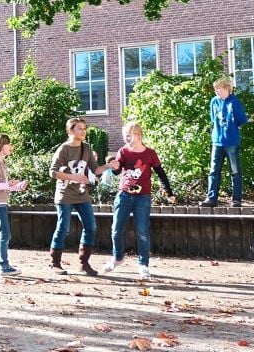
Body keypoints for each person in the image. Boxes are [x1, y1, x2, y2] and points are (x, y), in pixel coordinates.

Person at [104, 121, 175, 280]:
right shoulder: (123, 151)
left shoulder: (150, 153)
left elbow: (160, 173)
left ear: (138, 135)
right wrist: (114, 166)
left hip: (142, 197)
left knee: (142, 231)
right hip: (124, 195)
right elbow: (117, 172)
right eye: (125, 137)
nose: (127, 139)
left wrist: (169, 192)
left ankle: (143, 265)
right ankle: (118, 257)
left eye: (129, 136)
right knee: (116, 229)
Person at [48, 117, 115, 276]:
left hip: (82, 195)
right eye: (79, 128)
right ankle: (55, 263)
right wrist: (74, 177)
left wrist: (108, 166)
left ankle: (84, 263)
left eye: (84, 128)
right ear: (71, 131)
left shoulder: (86, 148)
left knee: (91, 227)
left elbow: (95, 169)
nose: (83, 131)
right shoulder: (64, 149)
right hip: (65, 195)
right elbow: (53, 172)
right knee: (63, 228)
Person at [0, 133, 28, 275]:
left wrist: (18, 186)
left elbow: (3, 186)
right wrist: (7, 184)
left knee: (0, 235)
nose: (11, 147)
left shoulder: (2, 163)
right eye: (8, 144)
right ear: (1, 146)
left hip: (0, 203)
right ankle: (4, 266)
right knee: (5, 235)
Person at [201, 77, 248, 207]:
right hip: (217, 141)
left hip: (231, 141)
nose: (217, 91)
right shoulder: (214, 102)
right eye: (215, 89)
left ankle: (236, 199)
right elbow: (213, 118)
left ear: (227, 88)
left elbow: (242, 120)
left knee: (235, 170)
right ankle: (211, 198)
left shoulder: (235, 102)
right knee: (214, 170)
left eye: (219, 88)